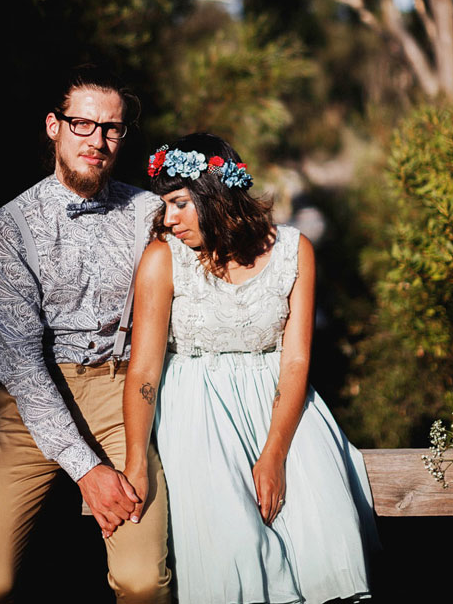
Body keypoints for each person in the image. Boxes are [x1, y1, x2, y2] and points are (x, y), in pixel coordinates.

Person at [123, 132, 377, 604]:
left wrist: (275, 454)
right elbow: (143, 372)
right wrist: (137, 460)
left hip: (282, 407)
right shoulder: (162, 259)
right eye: (165, 205)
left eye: (179, 203)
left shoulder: (294, 251)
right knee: (235, 549)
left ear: (216, 194)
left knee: (323, 529)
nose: (169, 218)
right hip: (197, 413)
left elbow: (297, 358)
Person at [0, 66, 172, 604]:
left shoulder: (148, 213)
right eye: (83, 125)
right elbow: (20, 364)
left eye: (112, 129)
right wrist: (88, 472)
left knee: (142, 581)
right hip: (30, 404)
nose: (98, 141)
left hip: (121, 391)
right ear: (54, 127)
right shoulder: (8, 227)